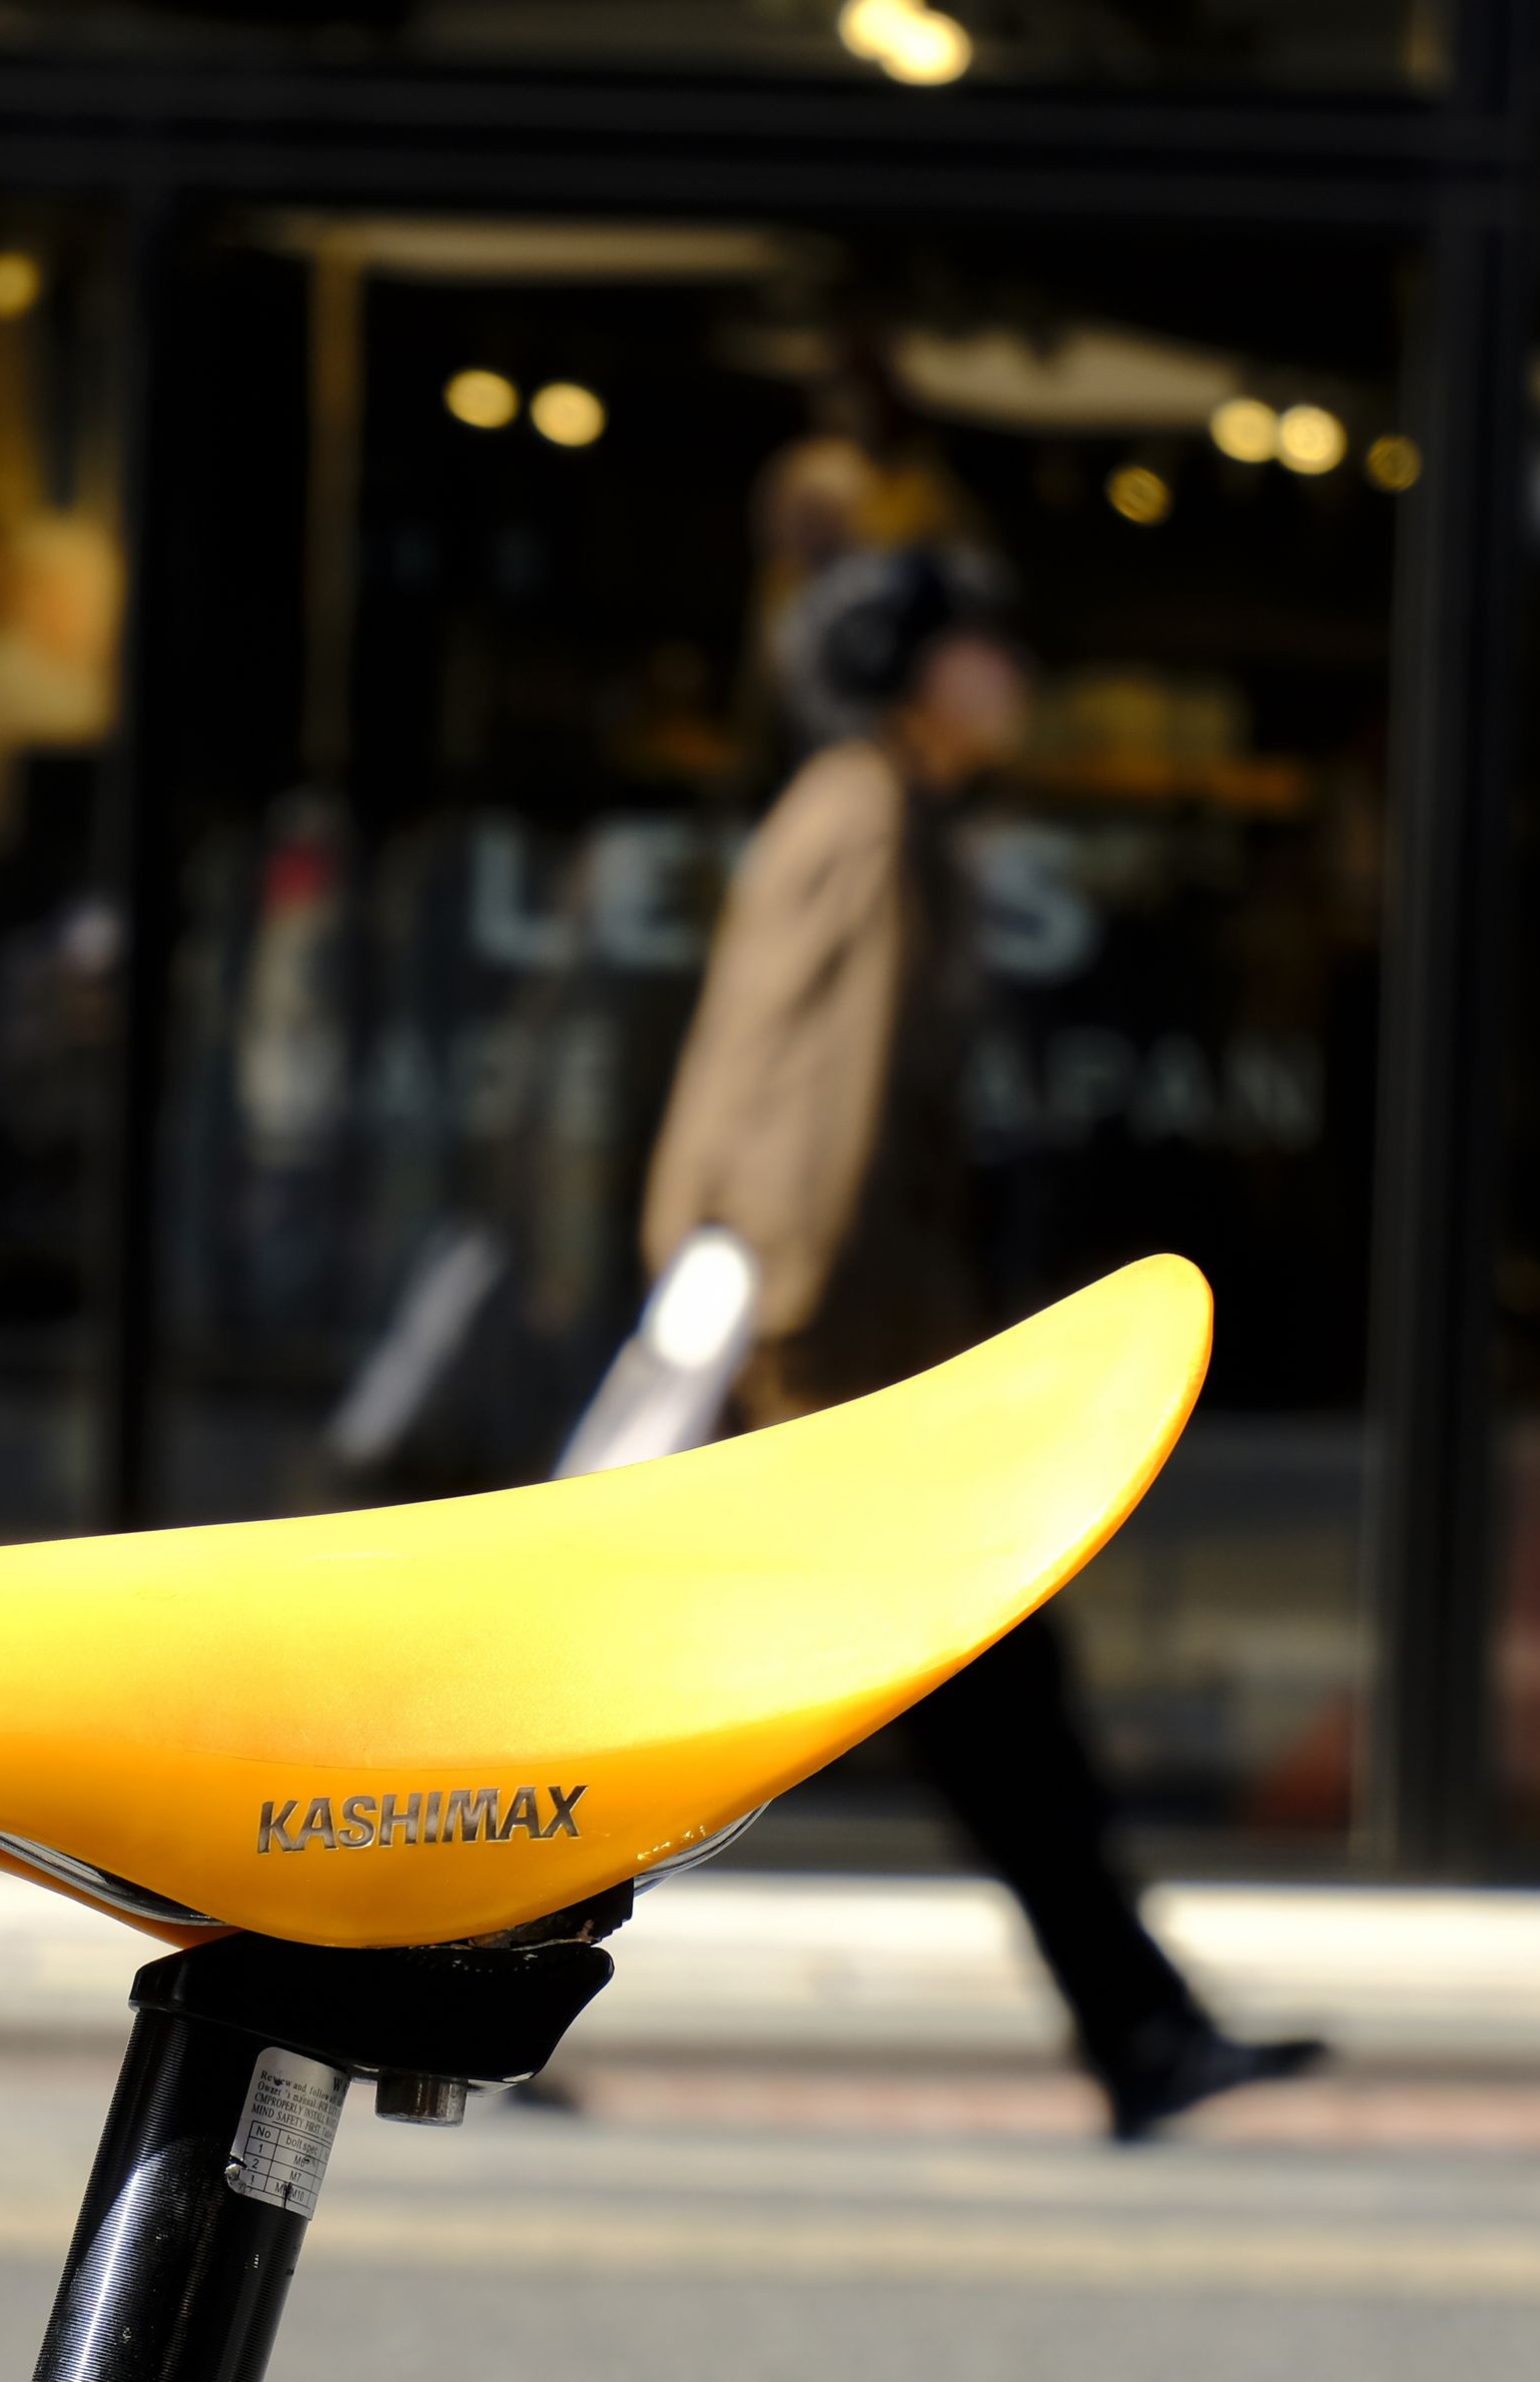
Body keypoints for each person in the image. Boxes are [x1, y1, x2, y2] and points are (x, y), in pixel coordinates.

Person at [642, 542, 1323, 2140]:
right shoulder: (870, 820)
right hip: (837, 1372)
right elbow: (810, 1107)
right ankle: (1143, 2034)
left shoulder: (872, 810)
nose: (1009, 669)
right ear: (907, 665)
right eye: (977, 642)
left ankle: (1145, 2033)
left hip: (844, 1359)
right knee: (710, 1715)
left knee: (989, 1724)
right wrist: (813, 1362)